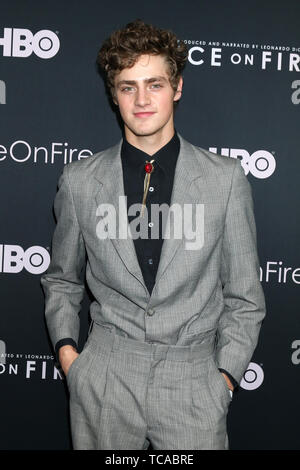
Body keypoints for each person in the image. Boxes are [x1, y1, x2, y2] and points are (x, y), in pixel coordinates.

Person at [40, 19, 266, 450]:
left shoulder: (225, 180)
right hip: (104, 380)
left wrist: (224, 379)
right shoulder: (80, 181)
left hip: (194, 381)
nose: (141, 99)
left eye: (154, 84)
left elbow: (244, 296)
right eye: (128, 87)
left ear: (177, 88)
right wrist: (71, 358)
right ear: (114, 95)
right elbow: (63, 280)